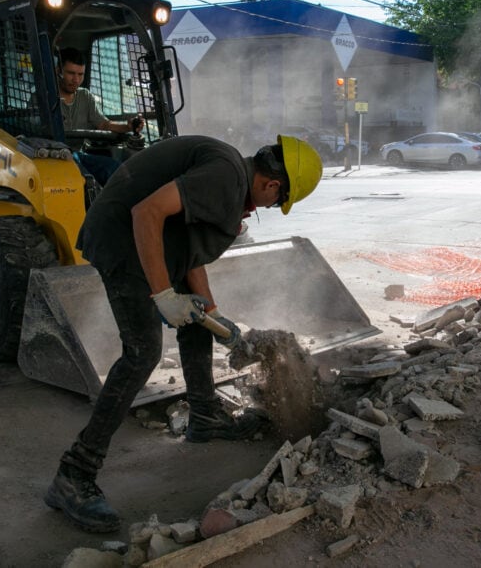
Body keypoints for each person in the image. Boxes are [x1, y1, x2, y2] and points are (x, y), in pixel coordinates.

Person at [44, 133, 323, 533]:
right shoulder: (225, 178)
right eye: (278, 202)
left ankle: (204, 415)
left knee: (194, 320)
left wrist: (210, 311)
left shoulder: (231, 177)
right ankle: (73, 474)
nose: (271, 206)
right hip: (123, 241)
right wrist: (162, 294)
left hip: (147, 239)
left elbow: (189, 248)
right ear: (272, 185)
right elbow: (146, 213)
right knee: (142, 353)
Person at [57, 47, 144, 184]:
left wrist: (127, 127)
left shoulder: (85, 96)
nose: (76, 80)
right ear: (59, 71)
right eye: (71, 73)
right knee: (82, 174)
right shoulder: (45, 97)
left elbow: (104, 124)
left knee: (114, 169)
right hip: (53, 157)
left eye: (80, 74)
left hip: (77, 155)